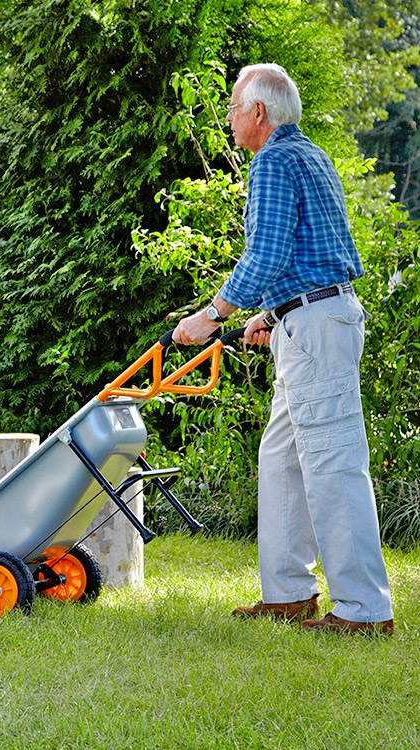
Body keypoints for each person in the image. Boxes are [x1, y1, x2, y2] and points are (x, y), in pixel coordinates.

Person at [172, 63, 394, 635]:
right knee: (283, 459)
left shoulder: (273, 161)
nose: (229, 119)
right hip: (313, 320)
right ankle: (290, 593)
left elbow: (266, 253)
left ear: (259, 113)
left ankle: (364, 611)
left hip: (317, 329)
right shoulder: (311, 156)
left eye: (233, 109)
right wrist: (272, 314)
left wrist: (212, 315)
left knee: (333, 464)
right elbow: (318, 250)